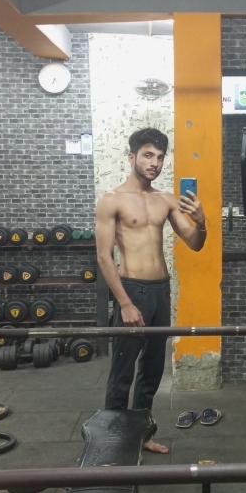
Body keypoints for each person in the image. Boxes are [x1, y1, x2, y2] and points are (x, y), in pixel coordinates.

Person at [95, 127, 207, 454]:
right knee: (122, 372)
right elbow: (103, 256)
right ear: (132, 157)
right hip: (132, 290)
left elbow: (195, 243)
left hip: (160, 290)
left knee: (152, 370)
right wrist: (125, 303)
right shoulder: (112, 200)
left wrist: (201, 222)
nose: (154, 163)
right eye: (147, 155)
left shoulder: (166, 200)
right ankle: (113, 442)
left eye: (159, 157)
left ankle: (142, 435)